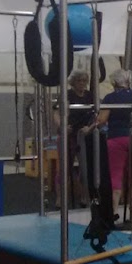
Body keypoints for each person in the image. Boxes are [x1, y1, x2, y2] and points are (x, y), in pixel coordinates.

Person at [99, 69, 132, 227]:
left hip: (115, 138)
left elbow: (102, 119)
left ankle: (113, 213)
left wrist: (92, 125)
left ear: (115, 83)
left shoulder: (110, 98)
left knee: (115, 175)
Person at [58, 71, 96, 207]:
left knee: (85, 168)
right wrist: (62, 126)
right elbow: (56, 112)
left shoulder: (90, 96)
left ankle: (84, 196)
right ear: (73, 82)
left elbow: (96, 115)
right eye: (79, 81)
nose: (82, 83)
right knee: (64, 167)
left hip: (84, 134)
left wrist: (90, 127)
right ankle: (60, 198)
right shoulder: (67, 95)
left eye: (84, 81)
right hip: (69, 134)